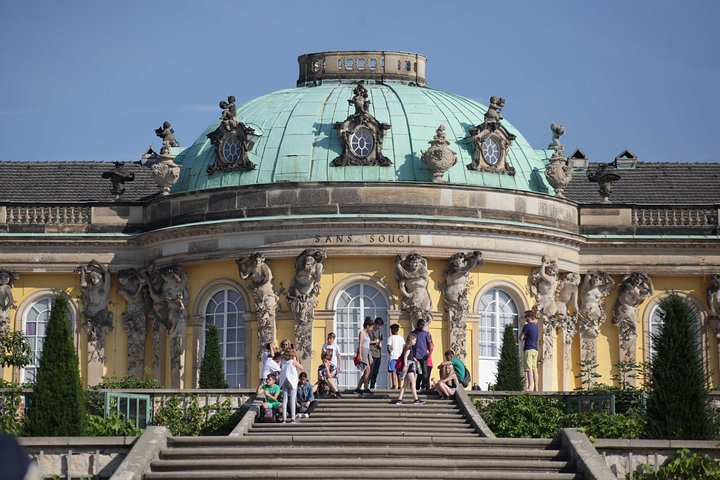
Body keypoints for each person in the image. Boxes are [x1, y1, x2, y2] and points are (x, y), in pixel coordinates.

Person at [395, 334, 425, 405]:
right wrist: (405, 365)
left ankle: (399, 399)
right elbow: (405, 356)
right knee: (413, 383)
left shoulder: (406, 347)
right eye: (415, 340)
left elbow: (406, 356)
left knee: (405, 384)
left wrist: (413, 358)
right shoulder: (409, 347)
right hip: (409, 367)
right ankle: (416, 399)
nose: (415, 341)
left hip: (408, 366)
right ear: (411, 340)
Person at [279, 348, 304, 423]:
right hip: (292, 381)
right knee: (292, 399)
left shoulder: (283, 361)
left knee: (284, 400)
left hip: (284, 380)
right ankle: (293, 418)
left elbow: (281, 367)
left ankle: (284, 418)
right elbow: (301, 367)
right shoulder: (293, 361)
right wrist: (296, 359)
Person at [520, 310, 539, 392]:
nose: (525, 319)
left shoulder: (527, 326)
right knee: (535, 368)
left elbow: (521, 337)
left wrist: (524, 337)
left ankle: (530, 387)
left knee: (529, 368)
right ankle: (536, 387)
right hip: (535, 349)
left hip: (528, 349)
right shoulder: (536, 327)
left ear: (529, 317)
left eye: (526, 317)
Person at [411, 319, 432, 391]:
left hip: (424, 355)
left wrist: (429, 353)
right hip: (415, 356)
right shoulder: (412, 333)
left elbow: (429, 344)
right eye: (420, 324)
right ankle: (415, 386)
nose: (422, 326)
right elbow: (410, 344)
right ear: (417, 324)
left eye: (423, 325)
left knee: (425, 372)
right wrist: (412, 355)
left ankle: (423, 385)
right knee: (416, 372)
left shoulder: (426, 333)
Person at [354, 316, 374, 394]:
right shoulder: (362, 333)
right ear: (367, 326)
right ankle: (365, 388)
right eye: (371, 327)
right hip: (363, 352)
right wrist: (360, 355)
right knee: (367, 371)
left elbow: (367, 344)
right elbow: (360, 344)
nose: (372, 329)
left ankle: (359, 388)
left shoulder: (367, 334)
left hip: (367, 352)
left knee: (367, 371)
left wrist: (370, 356)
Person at [368, 317, 384, 389]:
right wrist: (375, 342)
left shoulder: (379, 332)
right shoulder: (369, 331)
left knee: (375, 372)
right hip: (371, 353)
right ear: (375, 324)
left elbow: (381, 341)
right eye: (379, 325)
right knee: (370, 372)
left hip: (378, 353)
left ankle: (372, 386)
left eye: (381, 326)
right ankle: (366, 386)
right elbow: (366, 341)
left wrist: (380, 344)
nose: (380, 327)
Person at [387, 324, 403, 389]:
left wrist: (390, 353)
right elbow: (404, 346)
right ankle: (400, 386)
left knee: (393, 371)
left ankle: (394, 385)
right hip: (400, 357)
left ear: (393, 330)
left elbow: (388, 347)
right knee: (399, 372)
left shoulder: (391, 338)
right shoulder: (401, 338)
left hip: (393, 356)